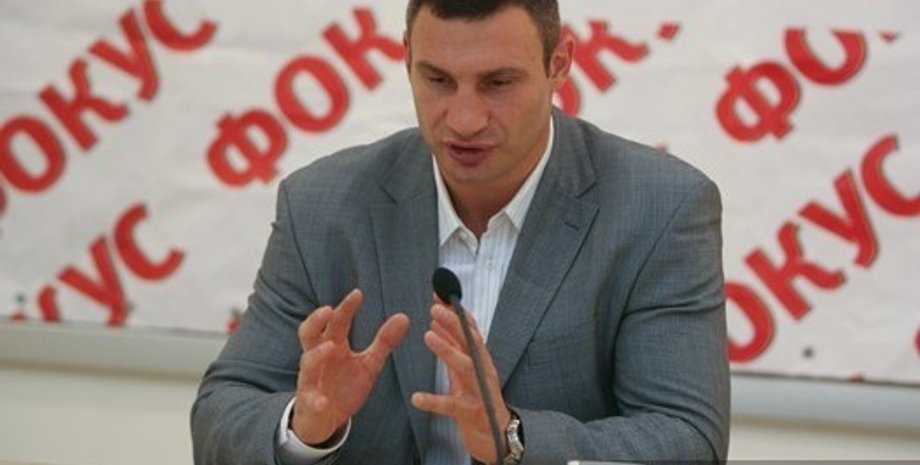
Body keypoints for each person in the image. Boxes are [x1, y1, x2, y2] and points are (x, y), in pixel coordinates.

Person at [191, 0, 730, 464]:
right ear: (406, 58)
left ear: (559, 64)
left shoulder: (660, 209)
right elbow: (222, 410)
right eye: (438, 80)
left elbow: (688, 441)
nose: (465, 119)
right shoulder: (322, 204)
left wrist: (515, 439)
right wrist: (305, 428)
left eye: (498, 83)